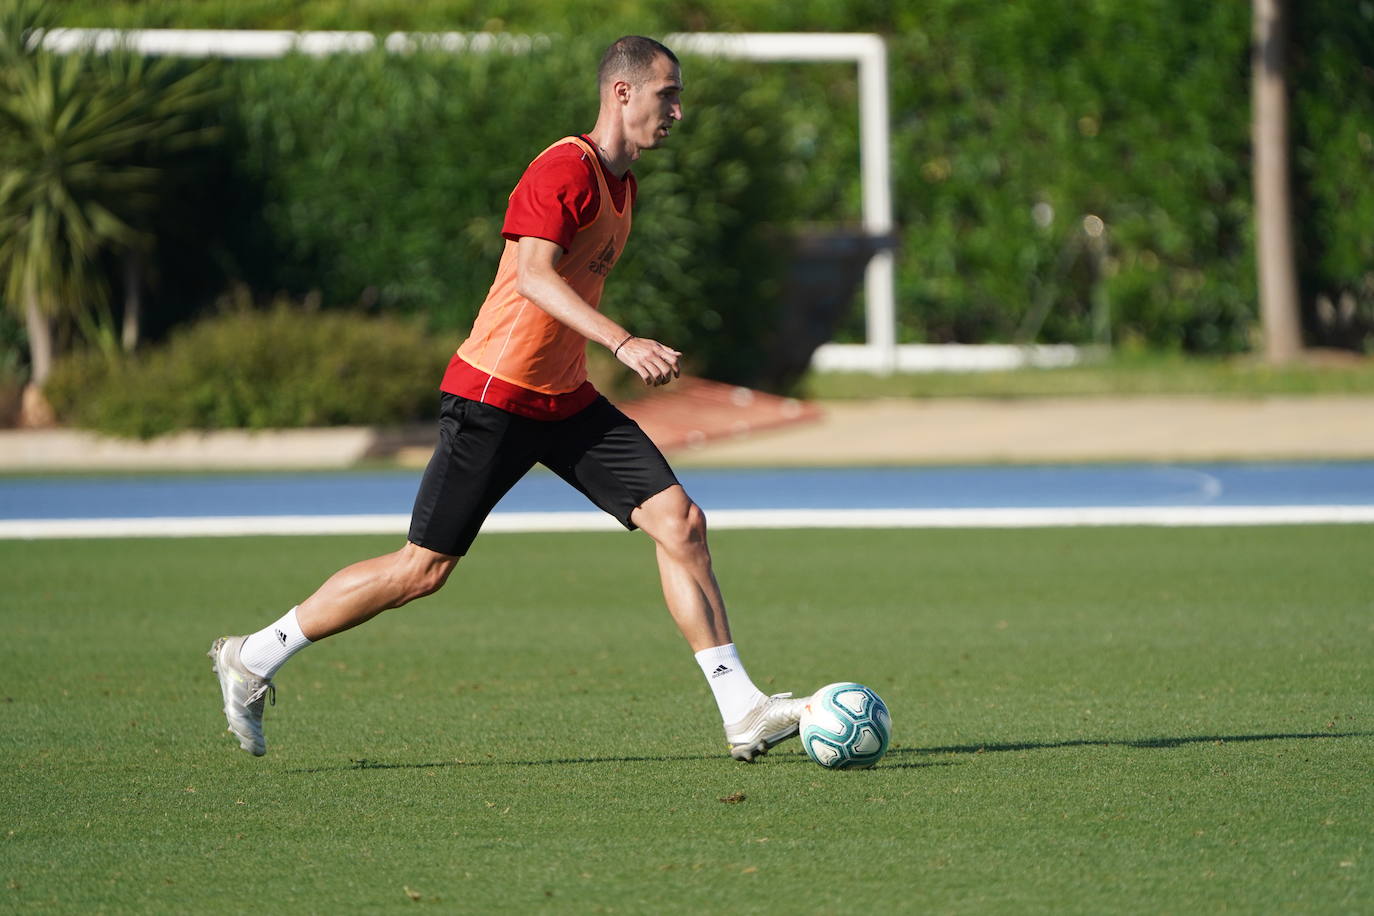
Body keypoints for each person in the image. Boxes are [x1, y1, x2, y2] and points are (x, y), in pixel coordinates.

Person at [210, 36, 809, 763]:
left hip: (564, 401)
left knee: (680, 523)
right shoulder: (564, 168)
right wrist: (622, 342)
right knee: (421, 571)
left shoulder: (626, 185)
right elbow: (533, 276)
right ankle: (254, 656)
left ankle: (741, 707)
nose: (679, 111)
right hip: (493, 397)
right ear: (623, 93)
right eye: (667, 95)